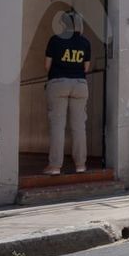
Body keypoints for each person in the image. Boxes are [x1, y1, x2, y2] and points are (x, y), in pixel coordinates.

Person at [43, 11, 91, 175]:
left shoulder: (54, 40)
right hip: (79, 84)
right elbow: (86, 68)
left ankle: (55, 166)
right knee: (79, 127)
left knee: (58, 126)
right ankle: (80, 165)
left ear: (63, 24)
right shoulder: (85, 42)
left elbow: (47, 66)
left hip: (58, 83)